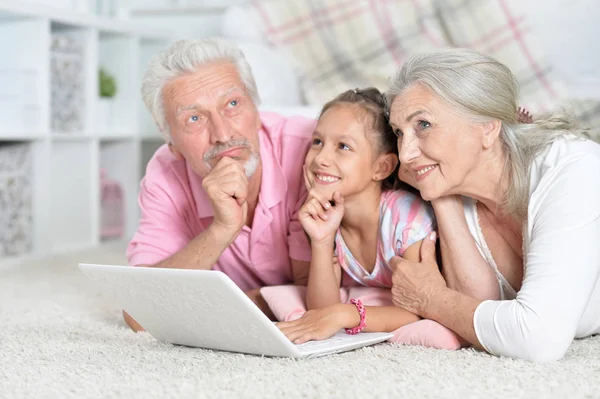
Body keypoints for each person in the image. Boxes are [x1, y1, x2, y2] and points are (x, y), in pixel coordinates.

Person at [386, 48, 600, 362]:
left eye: (424, 125)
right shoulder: (460, 191)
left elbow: (537, 339)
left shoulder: (574, 169)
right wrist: (440, 194)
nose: (405, 154)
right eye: (399, 132)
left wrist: (429, 298)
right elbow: (478, 317)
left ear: (488, 126)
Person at [123, 38, 316, 331]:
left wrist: (254, 300)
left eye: (233, 104)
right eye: (195, 118)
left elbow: (360, 285)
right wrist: (222, 228)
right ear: (173, 144)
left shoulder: (313, 150)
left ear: (256, 109)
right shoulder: (165, 172)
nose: (223, 134)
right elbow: (139, 314)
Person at [276, 88, 438, 344]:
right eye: (317, 142)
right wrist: (321, 240)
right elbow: (320, 313)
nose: (321, 158)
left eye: (343, 146)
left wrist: (347, 314)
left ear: (381, 167)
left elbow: (423, 307)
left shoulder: (405, 218)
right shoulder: (327, 218)